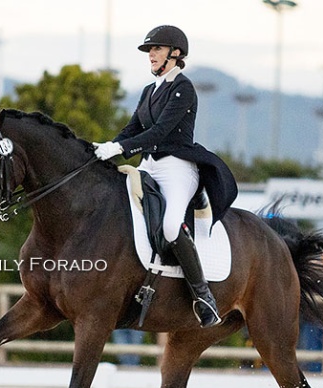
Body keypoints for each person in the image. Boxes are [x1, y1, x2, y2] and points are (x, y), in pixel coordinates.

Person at [93, 25, 238, 328]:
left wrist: (120, 147)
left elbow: (160, 131)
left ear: (175, 54)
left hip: (177, 167)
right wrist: (104, 149)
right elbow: (133, 128)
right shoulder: (149, 91)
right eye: (150, 50)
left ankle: (203, 296)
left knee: (171, 225)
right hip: (148, 164)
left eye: (156, 49)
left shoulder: (183, 88)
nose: (151, 55)